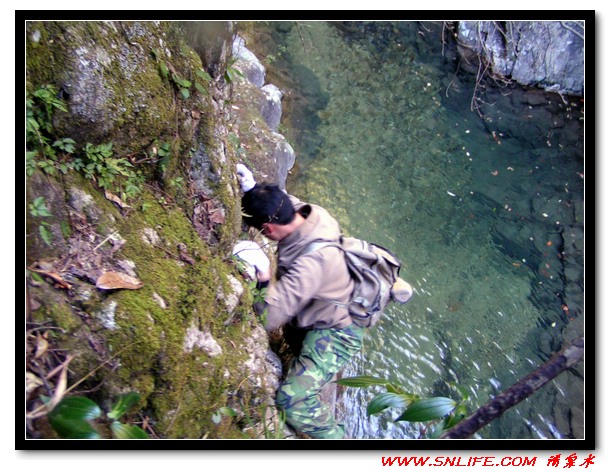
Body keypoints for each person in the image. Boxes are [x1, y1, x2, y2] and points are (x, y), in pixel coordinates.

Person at [233, 163, 363, 439]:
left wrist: (264, 275)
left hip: (337, 331)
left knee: (294, 401)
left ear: (267, 229)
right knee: (295, 344)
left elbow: (269, 318)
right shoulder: (312, 215)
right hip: (322, 303)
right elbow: (284, 204)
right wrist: (255, 191)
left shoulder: (311, 264)